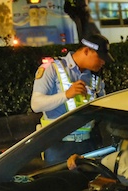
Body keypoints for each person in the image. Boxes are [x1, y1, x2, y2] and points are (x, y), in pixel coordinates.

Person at [31, 34, 114, 164]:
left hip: (87, 145)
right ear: (86, 51)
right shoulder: (52, 69)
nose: (103, 62)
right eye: (100, 58)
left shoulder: (94, 78)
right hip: (57, 146)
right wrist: (66, 95)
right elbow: (36, 105)